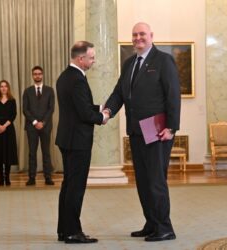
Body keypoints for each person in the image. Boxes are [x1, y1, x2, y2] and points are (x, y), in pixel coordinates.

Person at [104, 22, 181, 242]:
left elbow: (173, 95)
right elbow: (119, 92)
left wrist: (172, 127)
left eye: (142, 34)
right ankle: (151, 223)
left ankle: (165, 227)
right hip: (136, 130)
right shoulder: (129, 63)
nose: (138, 38)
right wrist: (108, 110)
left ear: (151, 36)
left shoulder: (164, 60)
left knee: (156, 180)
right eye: (135, 35)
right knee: (143, 180)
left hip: (157, 129)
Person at [55, 41, 109, 244]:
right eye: (91, 57)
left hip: (67, 138)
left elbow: (78, 106)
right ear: (80, 58)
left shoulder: (65, 76)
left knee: (68, 186)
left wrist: (100, 107)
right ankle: (72, 232)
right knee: (75, 187)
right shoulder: (77, 79)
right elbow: (84, 113)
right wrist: (102, 117)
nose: (93, 61)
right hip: (77, 141)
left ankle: (64, 230)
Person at [23, 66, 55, 186]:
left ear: (42, 75)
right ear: (32, 75)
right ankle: (32, 177)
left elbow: (51, 108)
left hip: (46, 127)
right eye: (35, 74)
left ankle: (48, 177)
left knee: (46, 152)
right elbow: (25, 110)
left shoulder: (50, 90)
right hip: (32, 127)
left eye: (39, 74)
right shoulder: (27, 91)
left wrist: (43, 122)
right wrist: (35, 122)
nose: (37, 76)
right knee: (32, 152)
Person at [0, 80, 18, 186]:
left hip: (8, 129)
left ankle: (7, 177)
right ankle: (1, 178)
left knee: (8, 154)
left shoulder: (12, 100)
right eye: (1, 86)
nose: (3, 88)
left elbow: (13, 115)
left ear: (8, 88)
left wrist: (4, 126)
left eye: (5, 86)